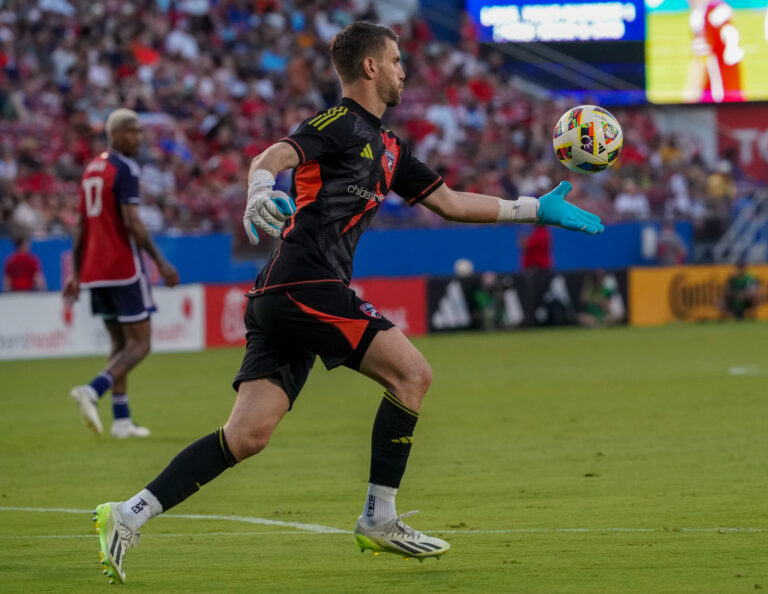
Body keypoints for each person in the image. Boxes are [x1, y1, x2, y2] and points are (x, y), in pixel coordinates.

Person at [91, 23, 604, 585]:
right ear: (370, 68)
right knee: (412, 375)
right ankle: (379, 517)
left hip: (282, 293)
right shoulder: (338, 124)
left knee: (247, 436)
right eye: (396, 59)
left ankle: (126, 514)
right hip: (304, 284)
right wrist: (260, 188)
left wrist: (535, 208)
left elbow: (452, 204)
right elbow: (272, 155)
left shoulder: (389, 147)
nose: (404, 69)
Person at [63, 109, 179, 440]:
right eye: (132, 132)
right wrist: (160, 261)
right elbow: (132, 221)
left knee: (119, 344)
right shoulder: (125, 168)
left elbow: (81, 224)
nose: (138, 139)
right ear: (114, 135)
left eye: (140, 133)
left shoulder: (90, 170)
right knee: (141, 344)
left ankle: (122, 420)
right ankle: (92, 389)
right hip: (123, 268)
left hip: (96, 272)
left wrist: (75, 271)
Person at [684, 0, 744, 103]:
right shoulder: (719, 7)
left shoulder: (704, 14)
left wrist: (691, 94)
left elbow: (702, 60)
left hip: (717, 92)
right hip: (732, 86)